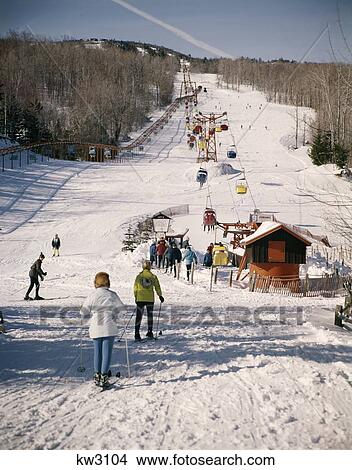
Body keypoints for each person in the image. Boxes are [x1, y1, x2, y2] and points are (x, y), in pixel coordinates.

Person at [80, 272, 123, 388]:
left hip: (95, 327)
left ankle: (97, 375)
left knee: (97, 352)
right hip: (109, 327)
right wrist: (115, 315)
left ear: (96, 283)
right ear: (108, 282)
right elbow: (122, 310)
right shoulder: (112, 295)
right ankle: (104, 376)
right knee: (106, 353)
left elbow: (83, 312)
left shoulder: (92, 295)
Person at [134, 260, 164, 341]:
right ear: (150, 266)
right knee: (149, 315)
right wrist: (160, 295)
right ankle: (150, 332)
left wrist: (136, 297)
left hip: (140, 298)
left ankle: (137, 333)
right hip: (149, 298)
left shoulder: (139, 276)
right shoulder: (153, 276)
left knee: (139, 316)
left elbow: (135, 288)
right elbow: (157, 286)